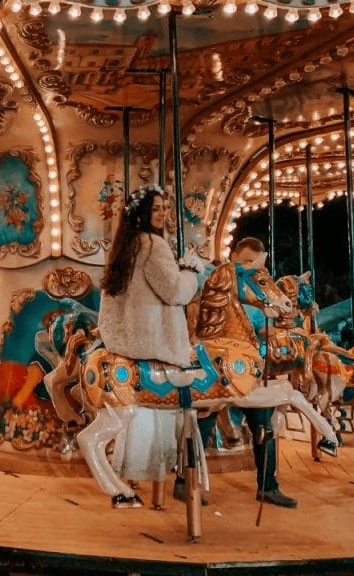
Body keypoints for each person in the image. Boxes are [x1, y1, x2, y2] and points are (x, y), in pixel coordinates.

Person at [176, 237, 298, 508]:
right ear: (231, 256)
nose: (248, 269)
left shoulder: (252, 289)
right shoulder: (212, 277)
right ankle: (184, 480)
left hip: (243, 368)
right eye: (244, 262)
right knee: (200, 424)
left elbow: (257, 329)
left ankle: (268, 485)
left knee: (262, 423)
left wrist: (280, 327)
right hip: (216, 365)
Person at [98, 185, 204, 496]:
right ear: (142, 214)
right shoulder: (153, 245)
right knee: (197, 395)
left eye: (163, 208)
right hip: (157, 342)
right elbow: (175, 292)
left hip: (128, 340)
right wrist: (191, 273)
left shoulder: (125, 246)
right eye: (155, 208)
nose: (162, 213)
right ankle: (186, 475)